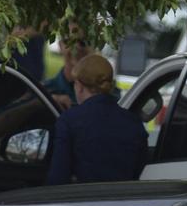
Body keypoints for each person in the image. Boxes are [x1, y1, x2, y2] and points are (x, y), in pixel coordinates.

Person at [46, 54, 149, 185]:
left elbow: (58, 177)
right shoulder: (133, 122)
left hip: (84, 201)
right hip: (123, 201)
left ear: (79, 86)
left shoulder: (69, 120)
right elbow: (138, 171)